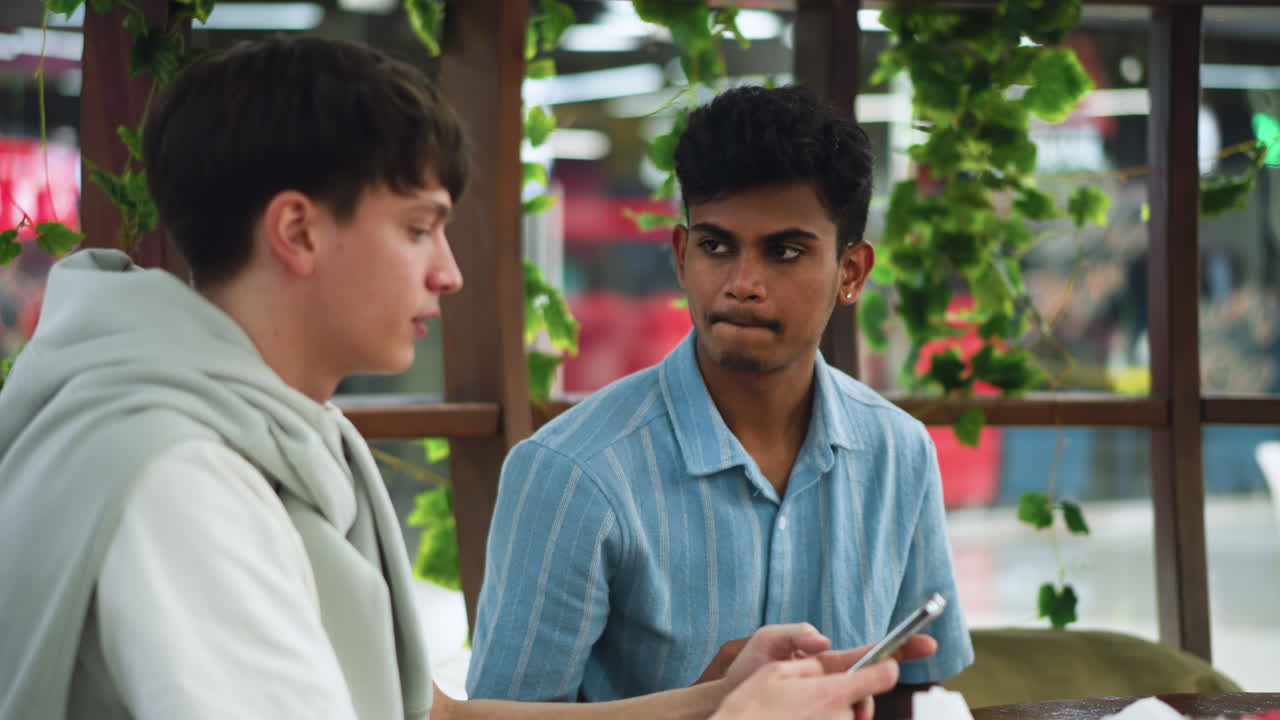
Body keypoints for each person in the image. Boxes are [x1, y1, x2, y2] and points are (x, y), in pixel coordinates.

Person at [0, 37, 928, 720]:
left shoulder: (282, 436)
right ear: (298, 231)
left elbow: (433, 717)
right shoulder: (185, 479)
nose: (447, 271)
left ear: (853, 271)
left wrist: (714, 701)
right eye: (418, 228)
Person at [466, 85, 975, 717]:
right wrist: (705, 705)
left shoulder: (898, 453)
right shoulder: (572, 474)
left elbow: (914, 686)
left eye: (784, 251)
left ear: (851, 273)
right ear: (682, 256)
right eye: (716, 246)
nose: (743, 284)